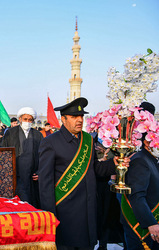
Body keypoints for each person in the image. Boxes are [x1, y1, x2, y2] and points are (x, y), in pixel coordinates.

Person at [38, 97, 127, 249]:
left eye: (81, 116)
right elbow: (45, 183)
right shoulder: (50, 142)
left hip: (89, 210)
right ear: (63, 119)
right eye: (74, 117)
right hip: (65, 213)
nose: (79, 120)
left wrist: (114, 164)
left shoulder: (88, 139)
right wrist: (50, 216)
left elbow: (95, 169)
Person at [121, 102, 159, 250]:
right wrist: (150, 222)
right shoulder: (140, 161)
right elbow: (137, 196)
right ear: (147, 142)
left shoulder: (153, 159)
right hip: (143, 228)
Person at [1, 107, 43, 207]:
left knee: (32, 202)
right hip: (15, 175)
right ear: (20, 119)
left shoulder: (38, 135)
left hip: (32, 176)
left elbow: (43, 156)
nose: (27, 122)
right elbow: (3, 152)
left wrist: (39, 172)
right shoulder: (10, 133)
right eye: (25, 119)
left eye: (30, 120)